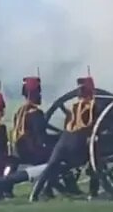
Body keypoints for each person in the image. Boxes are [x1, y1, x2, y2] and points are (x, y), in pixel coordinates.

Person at [30, 73, 101, 202]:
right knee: (96, 160)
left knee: (51, 167)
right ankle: (93, 192)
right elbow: (99, 124)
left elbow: (67, 123)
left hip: (64, 141)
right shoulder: (93, 106)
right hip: (78, 142)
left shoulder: (74, 107)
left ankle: (34, 194)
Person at [12, 76, 48, 165]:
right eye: (39, 93)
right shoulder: (36, 113)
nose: (40, 96)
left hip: (21, 151)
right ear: (34, 94)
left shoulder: (19, 112)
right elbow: (41, 139)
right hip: (33, 154)